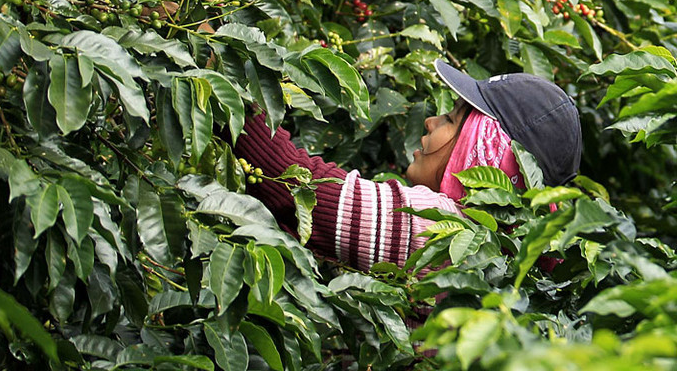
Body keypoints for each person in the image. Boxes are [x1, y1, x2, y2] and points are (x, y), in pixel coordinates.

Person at [234, 60, 582, 270]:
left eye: (449, 119)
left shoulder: (446, 232)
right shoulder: (510, 256)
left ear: (480, 155)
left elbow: (293, 182)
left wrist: (217, 70)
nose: (429, 122)